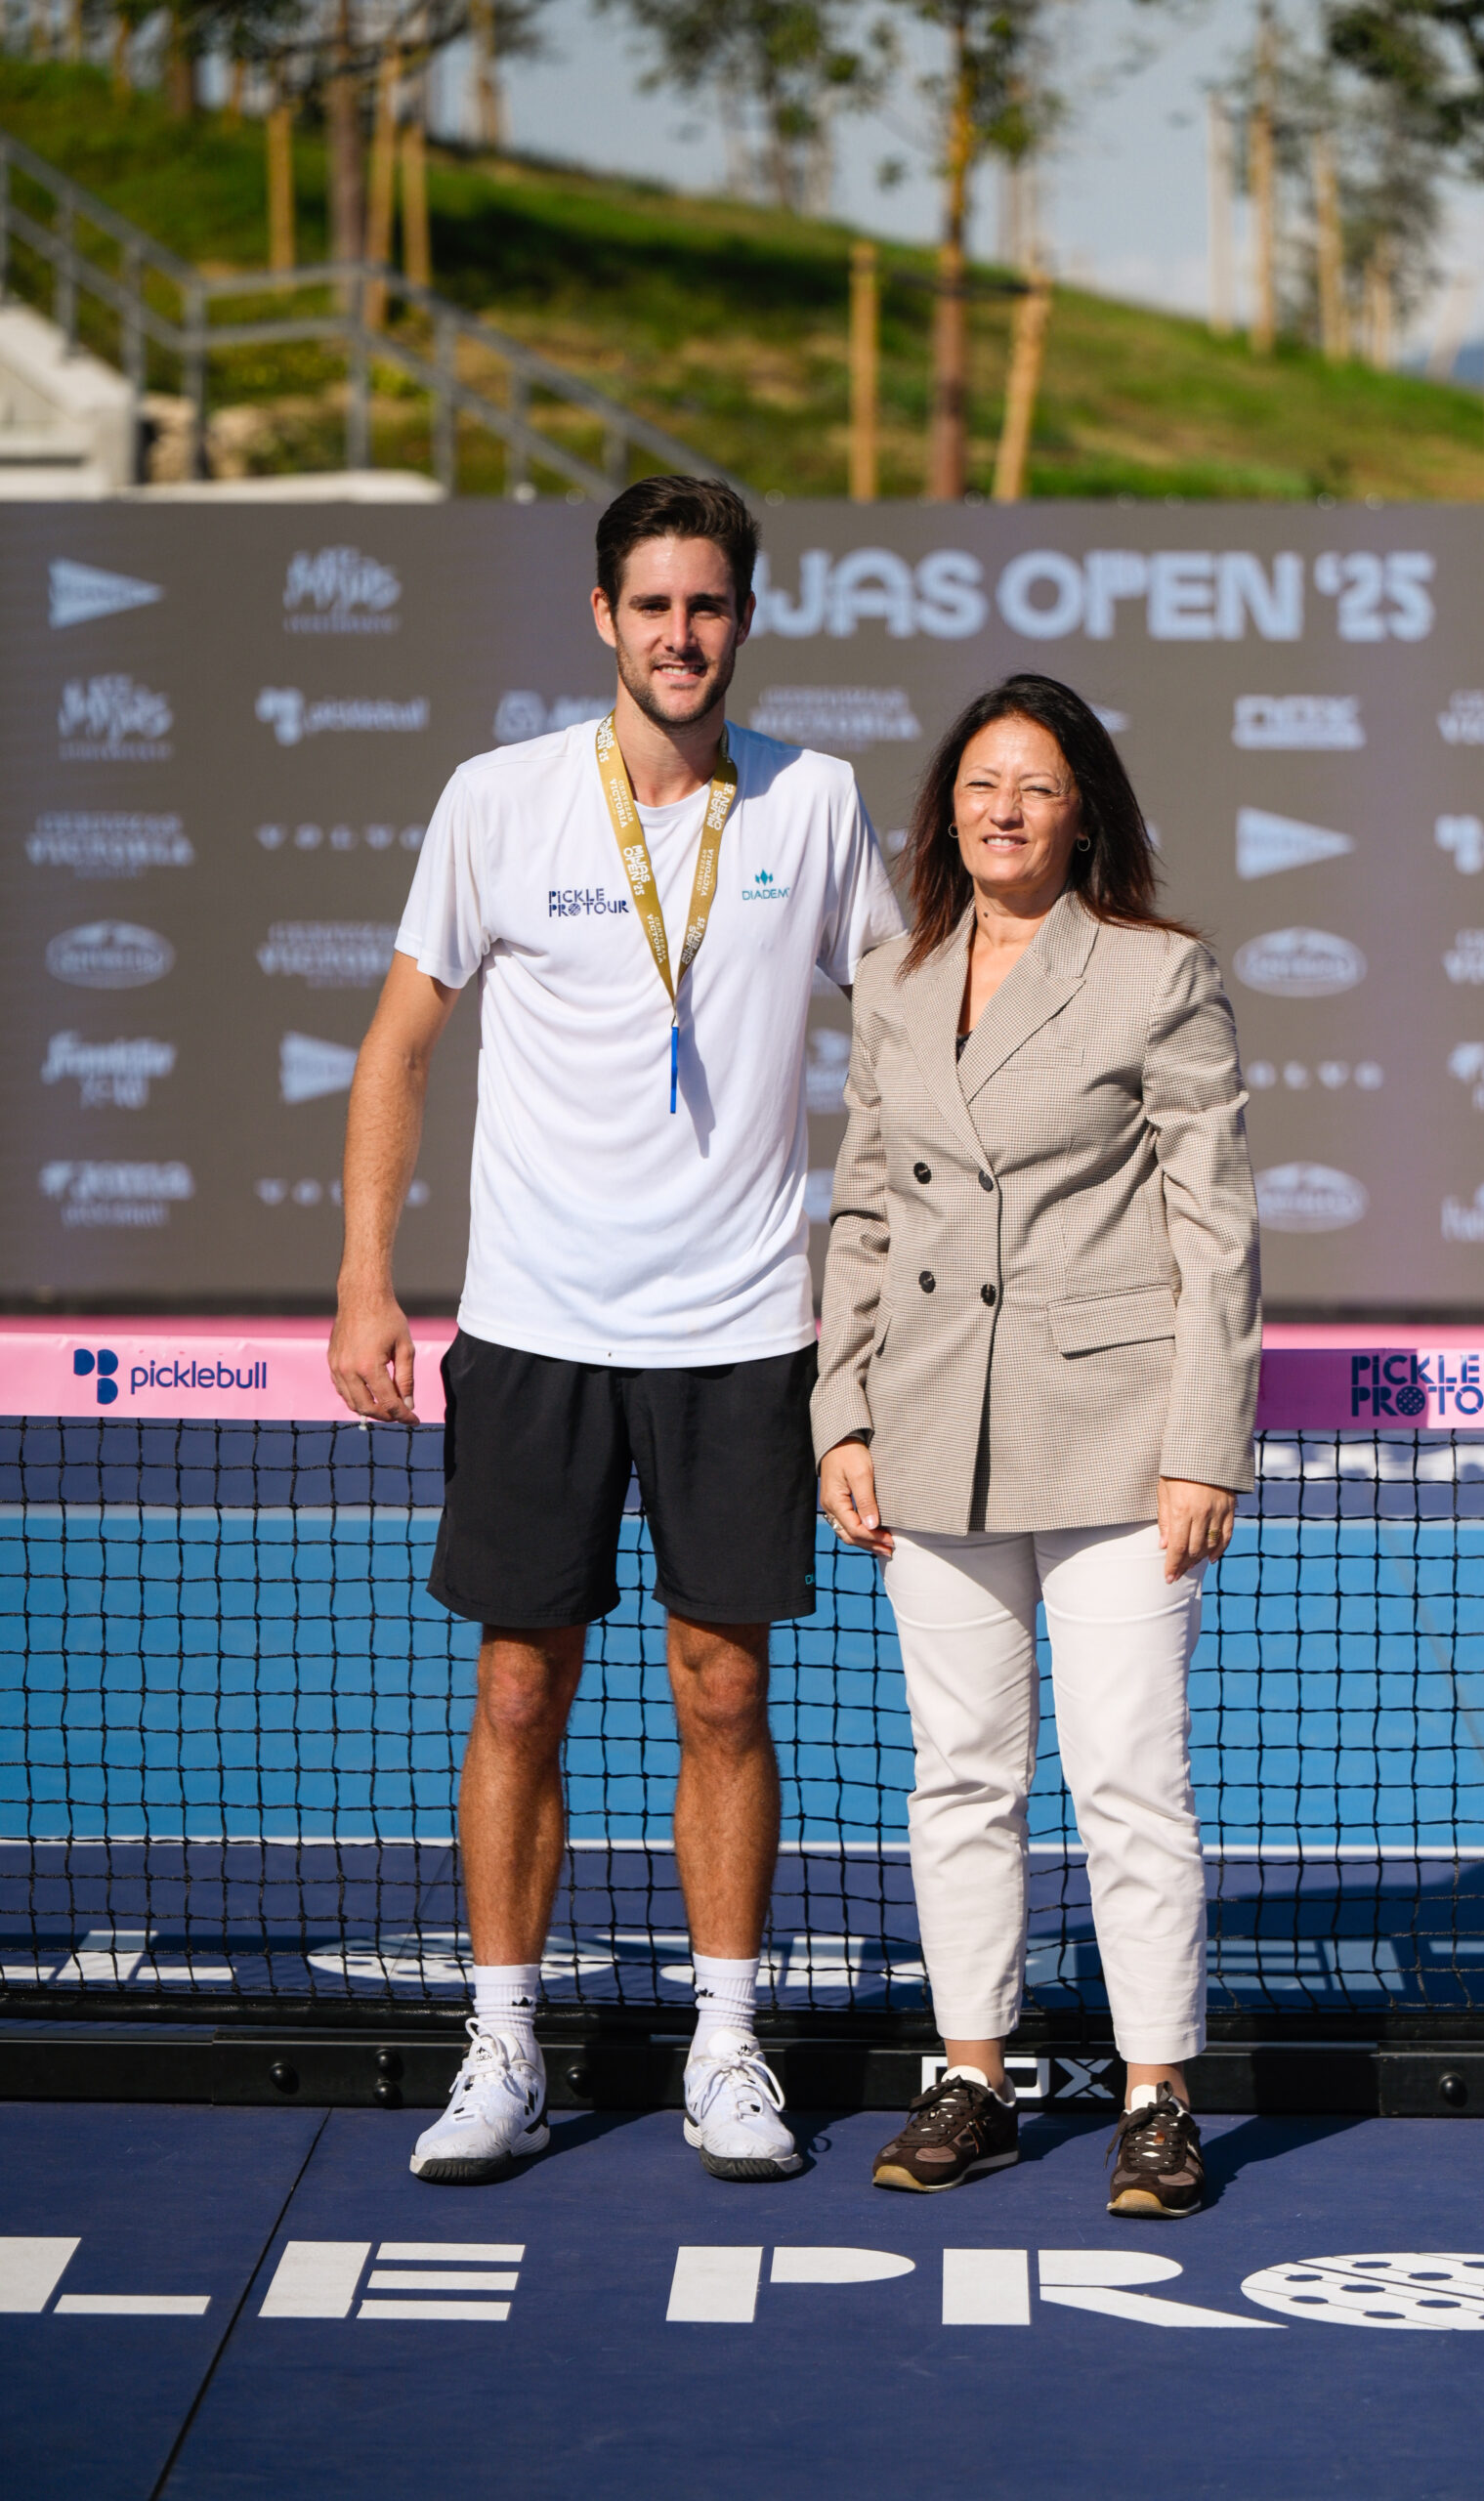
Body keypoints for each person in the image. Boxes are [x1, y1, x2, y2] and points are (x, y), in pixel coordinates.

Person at [329, 476, 904, 2185]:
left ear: (745, 619)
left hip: (743, 1332)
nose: (680, 634)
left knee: (724, 1690)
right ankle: (503, 2047)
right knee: (519, 1692)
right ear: (603, 617)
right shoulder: (498, 799)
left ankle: (727, 2047)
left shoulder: (818, 801)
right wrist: (365, 1276)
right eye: (651, 604)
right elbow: (399, 1045)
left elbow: (913, 1033)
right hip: (535, 1327)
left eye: (707, 604)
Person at [814, 673, 1260, 2219]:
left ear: (1084, 819)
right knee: (960, 1779)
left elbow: (1215, 1230)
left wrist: (1202, 1446)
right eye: (981, 785)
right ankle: (973, 2083)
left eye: (1038, 788)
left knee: (1129, 1781)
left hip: (1122, 1446)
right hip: (931, 1430)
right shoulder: (893, 978)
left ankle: (1158, 2101)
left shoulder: (1157, 972)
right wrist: (842, 1411)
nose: (1004, 810)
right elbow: (864, 1212)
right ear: (947, 811)